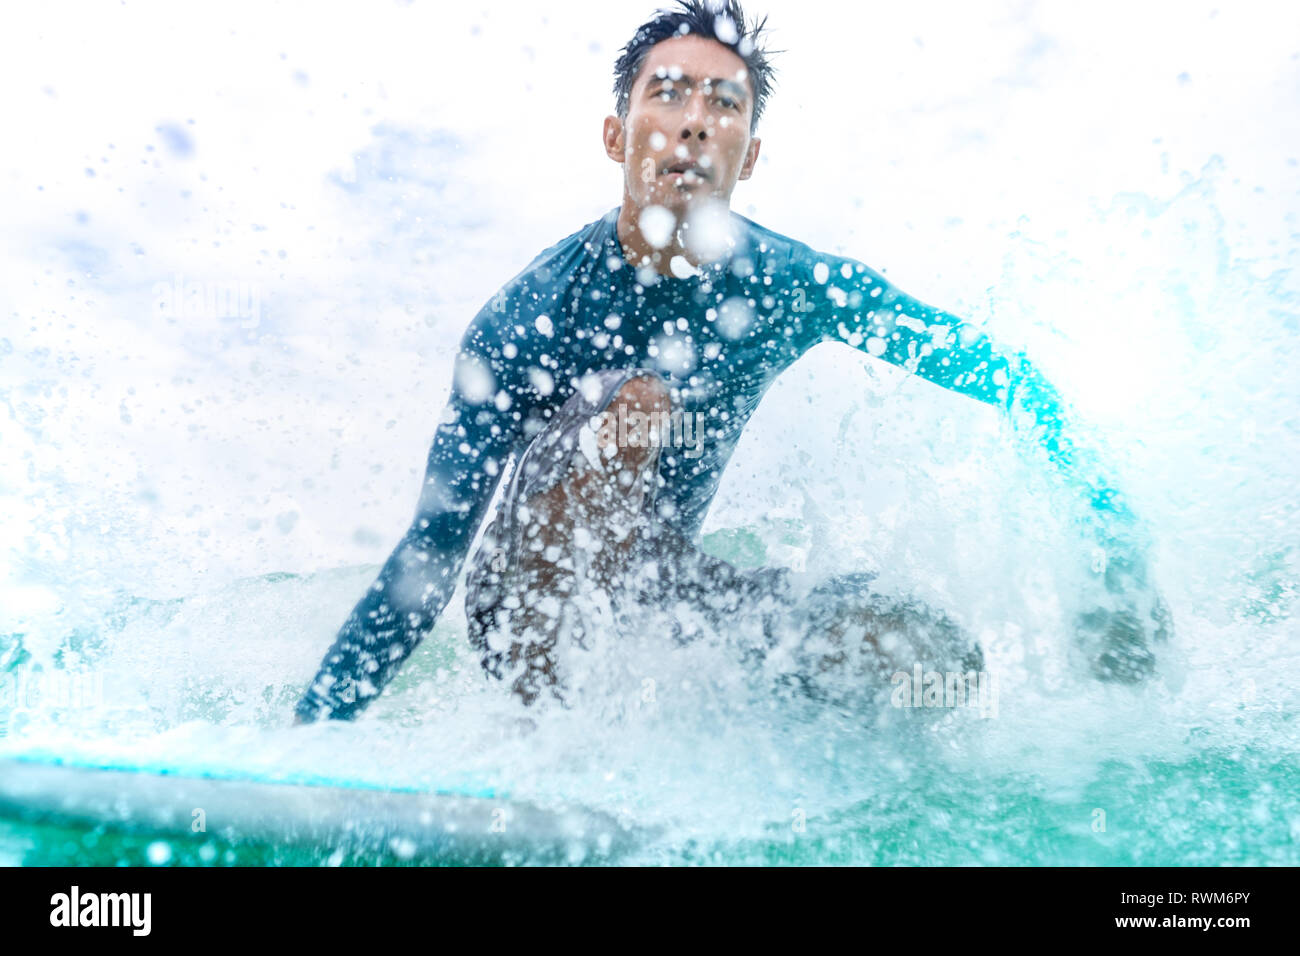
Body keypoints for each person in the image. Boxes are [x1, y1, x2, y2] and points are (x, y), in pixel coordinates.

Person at [293, 0, 1171, 724]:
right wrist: (311, 740)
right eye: (667, 96)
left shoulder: (793, 284)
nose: (694, 124)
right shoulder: (528, 319)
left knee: (931, 659)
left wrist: (1114, 545)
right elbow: (430, 557)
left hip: (660, 604)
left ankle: (779, 769)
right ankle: (550, 750)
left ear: (748, 154)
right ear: (615, 134)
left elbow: (1007, 378)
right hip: (524, 614)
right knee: (637, 403)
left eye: (724, 104)